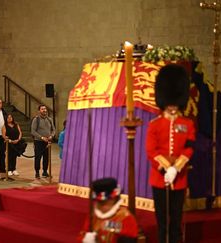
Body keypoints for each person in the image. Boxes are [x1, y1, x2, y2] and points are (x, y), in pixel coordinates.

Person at [146, 64, 195, 243]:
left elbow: (189, 147)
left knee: (176, 222)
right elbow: (151, 150)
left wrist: (176, 168)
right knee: (162, 223)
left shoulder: (187, 124)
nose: (173, 107)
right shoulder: (154, 125)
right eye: (170, 103)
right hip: (159, 179)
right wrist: (166, 168)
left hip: (180, 179)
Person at [78, 178, 138, 243]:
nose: (100, 206)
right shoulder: (93, 216)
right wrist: (84, 239)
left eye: (103, 202)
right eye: (98, 202)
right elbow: (82, 234)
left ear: (114, 199)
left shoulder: (125, 218)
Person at [31, 104, 56, 179]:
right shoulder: (36, 120)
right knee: (38, 157)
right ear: (39, 111)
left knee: (46, 157)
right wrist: (41, 137)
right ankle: (37, 172)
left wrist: (51, 135)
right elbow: (33, 131)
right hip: (38, 142)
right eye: (42, 109)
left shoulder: (50, 119)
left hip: (47, 142)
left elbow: (53, 129)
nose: (44, 110)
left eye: (45, 109)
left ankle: (45, 171)